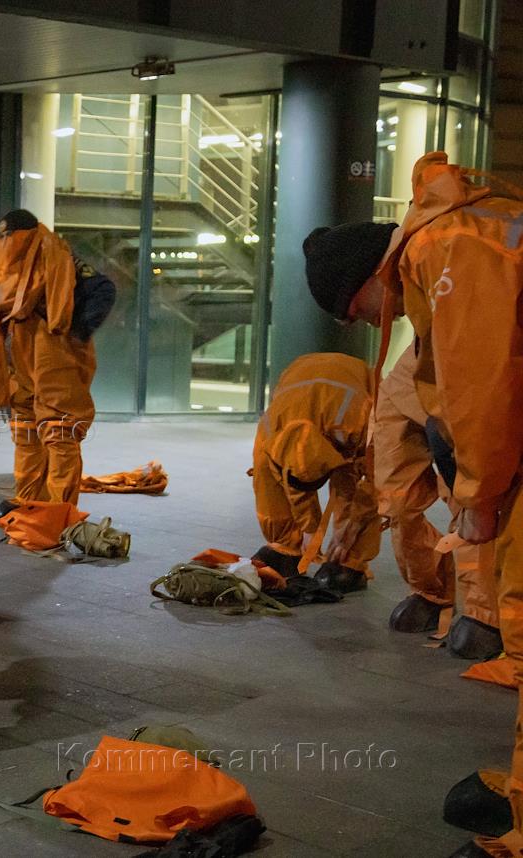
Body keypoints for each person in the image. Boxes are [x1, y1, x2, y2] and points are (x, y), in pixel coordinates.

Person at [303, 152, 523, 858]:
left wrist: (478, 496)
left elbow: (481, 383)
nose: (372, 321)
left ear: (369, 278)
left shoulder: (446, 249)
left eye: (358, 310)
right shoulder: (463, 234)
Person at [374, 347, 500, 655]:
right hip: (414, 374)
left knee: (469, 498)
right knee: (398, 500)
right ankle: (429, 590)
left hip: (461, 375)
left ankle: (486, 611)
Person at [0, 209, 95, 506]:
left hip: (51, 354)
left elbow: (99, 292)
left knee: (58, 431)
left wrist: (76, 333)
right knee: (28, 431)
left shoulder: (54, 256)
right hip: (23, 358)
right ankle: (32, 504)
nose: (4, 243)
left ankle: (56, 511)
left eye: (9, 236)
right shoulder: (23, 264)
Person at [251, 352, 381, 593]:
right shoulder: (271, 432)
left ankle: (349, 561)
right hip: (302, 380)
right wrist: (311, 530)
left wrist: (350, 529)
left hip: (354, 396)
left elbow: (375, 483)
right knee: (265, 474)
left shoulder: (359, 422)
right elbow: (293, 478)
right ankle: (285, 547)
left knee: (354, 482)